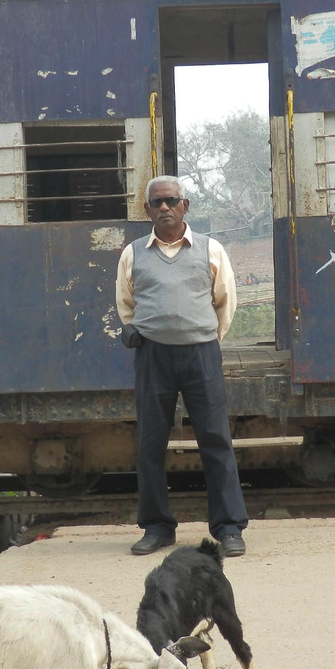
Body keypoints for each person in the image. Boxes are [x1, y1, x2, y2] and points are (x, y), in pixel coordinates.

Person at [115, 175, 249, 557]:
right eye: (157, 203)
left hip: (200, 355)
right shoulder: (133, 253)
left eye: (171, 201)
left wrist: (205, 338)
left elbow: (226, 301)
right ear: (147, 210)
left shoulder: (210, 249)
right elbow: (126, 304)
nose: (164, 208)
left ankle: (228, 529)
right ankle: (157, 527)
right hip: (153, 357)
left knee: (215, 440)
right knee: (150, 443)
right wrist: (140, 331)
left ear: (185, 206)